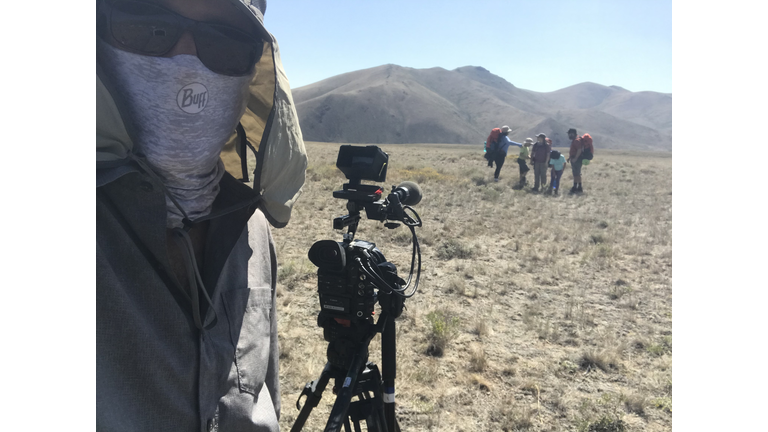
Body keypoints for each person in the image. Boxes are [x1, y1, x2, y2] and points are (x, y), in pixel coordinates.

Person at [96, 0, 308, 430]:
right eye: (146, 27)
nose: (186, 61)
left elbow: (264, 394)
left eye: (225, 43)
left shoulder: (251, 226)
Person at [566, 128, 585, 193]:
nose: (569, 136)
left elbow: (579, 150)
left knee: (576, 174)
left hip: (576, 160)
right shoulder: (576, 140)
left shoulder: (576, 141)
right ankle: (578, 187)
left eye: (569, 134)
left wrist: (575, 158)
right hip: (575, 158)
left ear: (572, 134)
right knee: (577, 173)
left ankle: (576, 187)